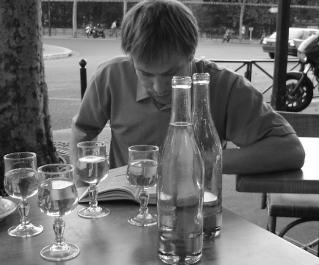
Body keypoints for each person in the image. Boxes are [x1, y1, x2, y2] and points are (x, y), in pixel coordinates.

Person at [70, 0, 305, 174]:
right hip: (126, 205)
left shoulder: (224, 85)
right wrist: (84, 182)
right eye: (145, 73)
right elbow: (83, 129)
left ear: (191, 54)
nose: (159, 86)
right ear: (131, 58)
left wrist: (198, 162)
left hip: (195, 211)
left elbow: (290, 150)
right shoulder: (111, 75)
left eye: (171, 72)